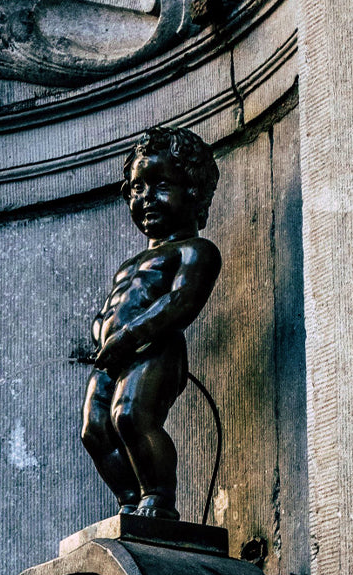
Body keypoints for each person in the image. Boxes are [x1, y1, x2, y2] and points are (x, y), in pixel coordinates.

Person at [81, 126, 221, 519]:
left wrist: (127, 337)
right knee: (94, 429)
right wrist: (100, 332)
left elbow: (180, 303)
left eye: (159, 184)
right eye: (137, 188)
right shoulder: (129, 265)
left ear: (193, 192)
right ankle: (129, 501)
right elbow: (112, 307)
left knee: (130, 415)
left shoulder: (196, 251)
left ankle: (158, 499)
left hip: (156, 348)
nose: (145, 198)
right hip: (115, 354)